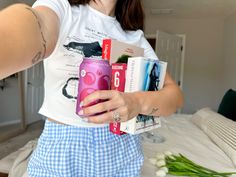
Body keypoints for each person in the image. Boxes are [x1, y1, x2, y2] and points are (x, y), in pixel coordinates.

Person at [0, 0, 184, 176]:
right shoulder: (61, 8)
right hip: (62, 149)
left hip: (122, 150)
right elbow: (34, 25)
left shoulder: (135, 37)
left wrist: (137, 102)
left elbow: (174, 96)